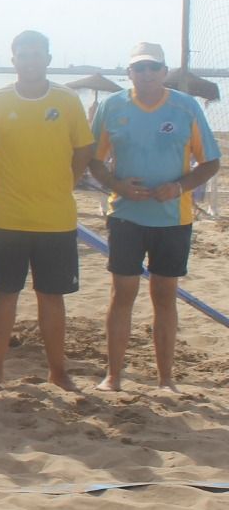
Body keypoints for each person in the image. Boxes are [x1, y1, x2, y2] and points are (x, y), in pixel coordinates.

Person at [89, 42, 220, 393]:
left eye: (153, 67)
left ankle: (166, 380)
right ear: (129, 73)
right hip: (127, 215)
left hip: (173, 219)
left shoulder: (185, 106)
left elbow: (210, 162)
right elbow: (94, 160)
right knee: (122, 294)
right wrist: (117, 184)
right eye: (138, 68)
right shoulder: (113, 107)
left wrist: (178, 187)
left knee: (164, 296)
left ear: (164, 72)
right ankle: (113, 376)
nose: (146, 74)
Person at [0, 30, 94, 392]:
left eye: (36, 54)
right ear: (13, 60)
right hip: (6, 217)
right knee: (4, 292)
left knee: (51, 296)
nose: (29, 61)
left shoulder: (67, 100)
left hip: (55, 218)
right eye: (23, 55)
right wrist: (1, 181)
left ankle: (58, 371)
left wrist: (64, 184)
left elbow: (83, 151)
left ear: (47, 59)